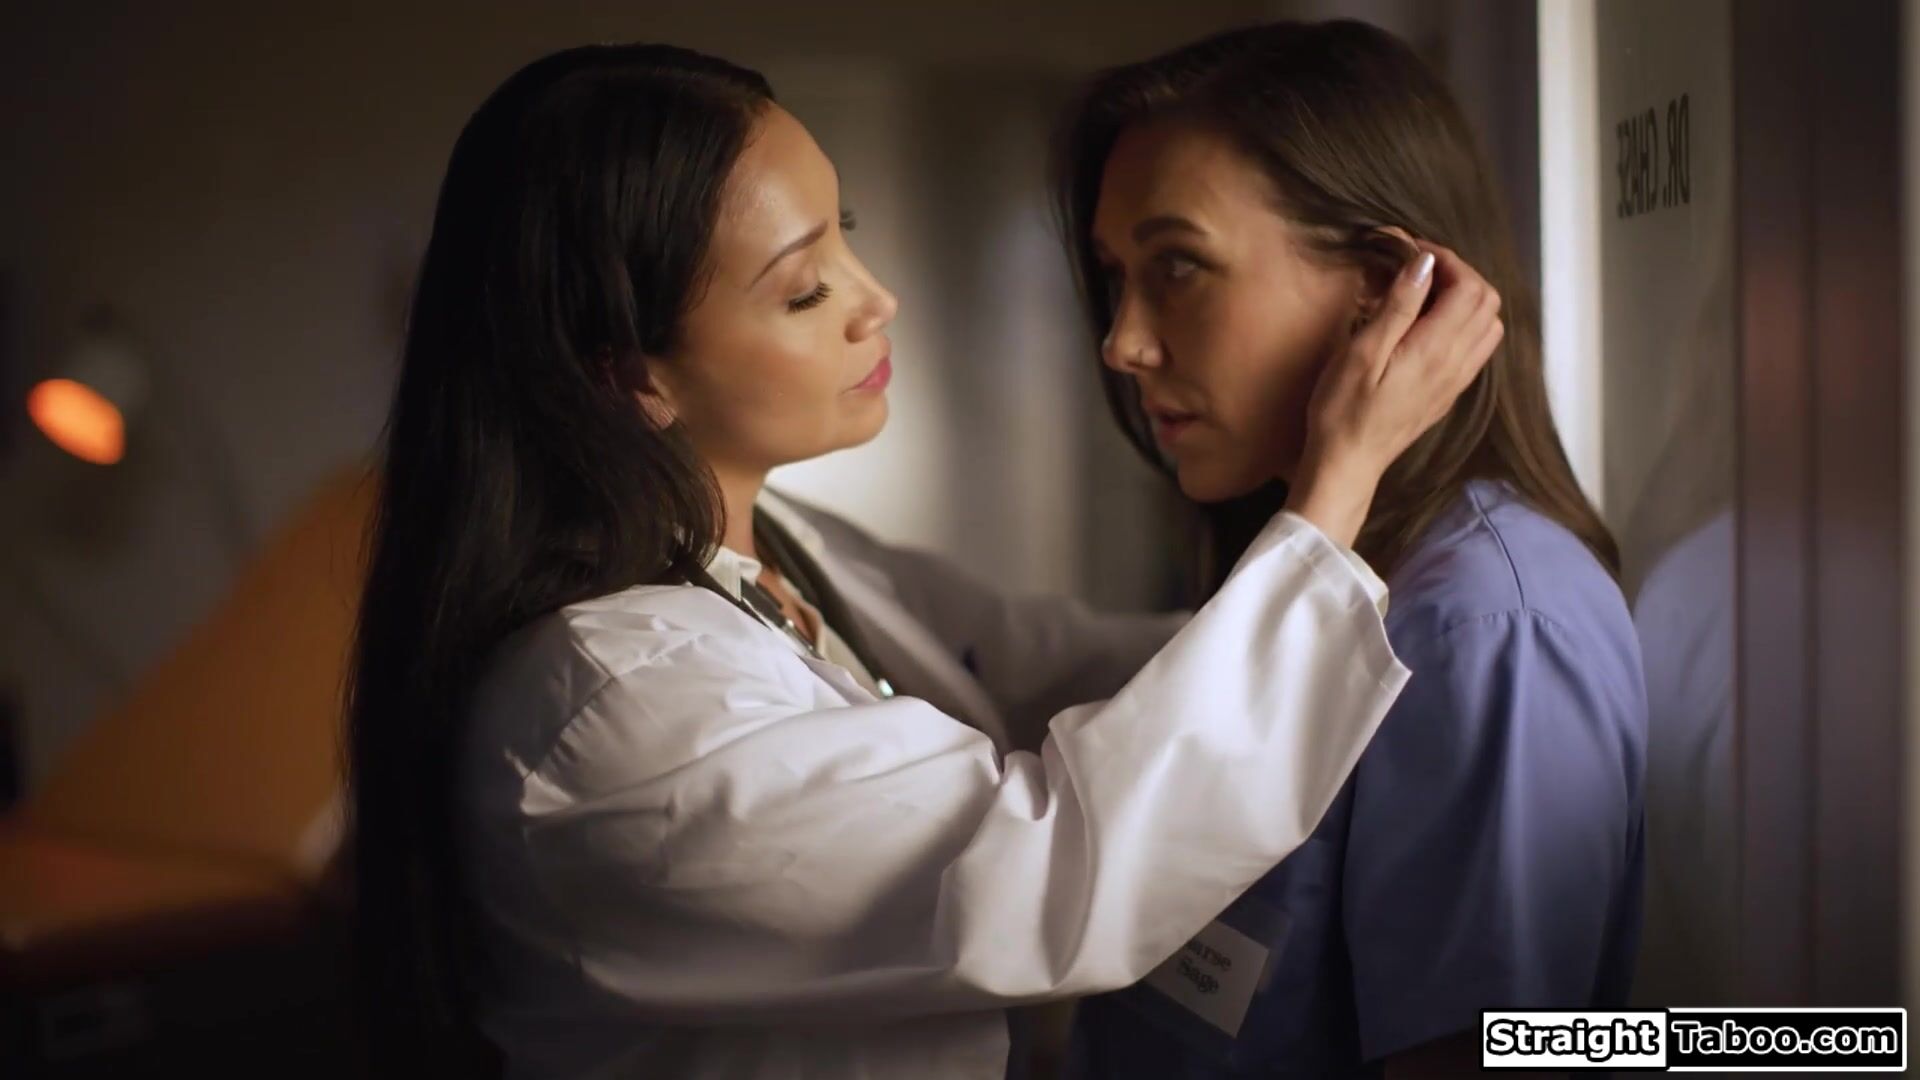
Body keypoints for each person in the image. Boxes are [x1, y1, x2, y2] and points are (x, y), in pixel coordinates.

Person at [344, 43, 1500, 1080]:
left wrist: (1407, 615)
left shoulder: (781, 554)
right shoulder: (613, 714)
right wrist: (1335, 488)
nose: (876, 300)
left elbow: (1054, 660)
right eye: (804, 288)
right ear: (629, 375)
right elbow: (1059, 867)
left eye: (844, 237)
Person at [1055, 20, 1646, 1079]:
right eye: (1116, 275)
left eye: (1178, 266)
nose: (1123, 343)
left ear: (1384, 285)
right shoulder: (1312, 571)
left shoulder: (1485, 624)